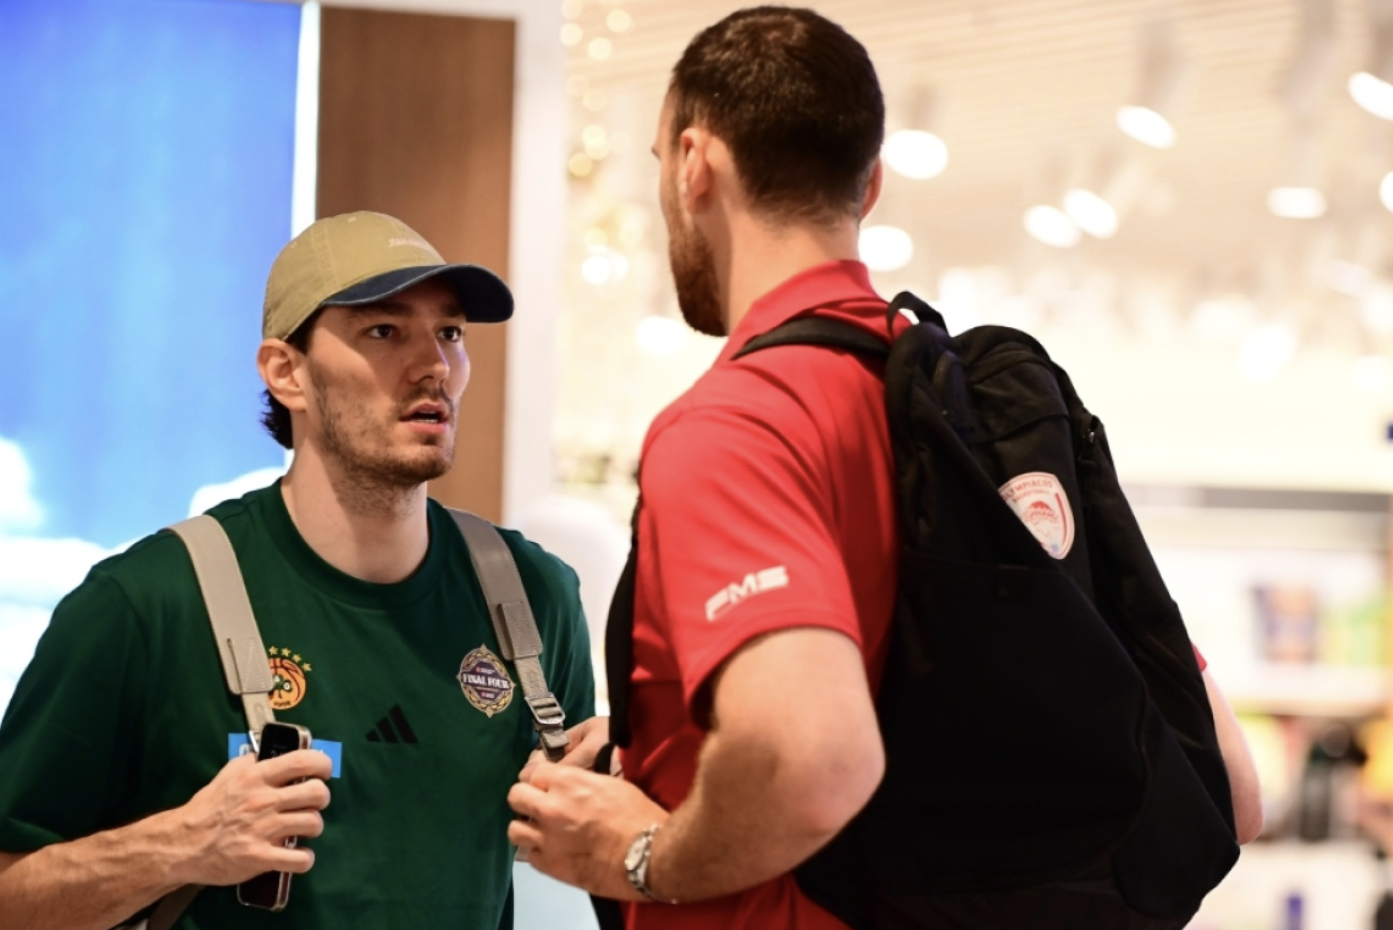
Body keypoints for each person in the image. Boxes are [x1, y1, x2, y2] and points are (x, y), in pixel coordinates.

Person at [505, 7, 1264, 929]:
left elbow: (815, 759)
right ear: (870, 183)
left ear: (695, 163)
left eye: (661, 161)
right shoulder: (979, 418)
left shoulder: (738, 425)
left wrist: (638, 855)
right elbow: (1232, 789)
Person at [0, 211, 597, 930]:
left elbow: (582, 852)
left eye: (450, 332)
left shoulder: (532, 597)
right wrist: (177, 846)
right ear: (286, 372)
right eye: (384, 331)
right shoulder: (147, 604)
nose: (435, 366)